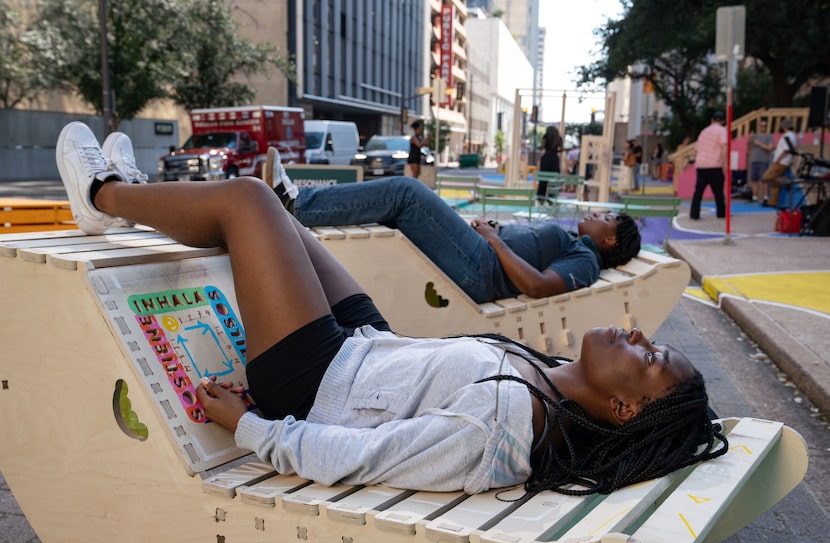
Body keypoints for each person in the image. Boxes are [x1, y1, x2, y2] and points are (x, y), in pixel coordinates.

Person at [55, 121, 728, 496]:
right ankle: (141, 196)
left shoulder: (499, 431)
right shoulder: (547, 385)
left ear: (624, 408)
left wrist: (259, 429)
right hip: (366, 350)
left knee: (250, 205)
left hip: (316, 382)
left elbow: (373, 455)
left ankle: (104, 192)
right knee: (289, 228)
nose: (641, 336)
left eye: (650, 357)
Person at [271, 173, 641, 303]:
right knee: (401, 207)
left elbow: (538, 286)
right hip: (480, 252)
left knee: (407, 194)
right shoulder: (575, 243)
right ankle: (297, 211)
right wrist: (497, 233)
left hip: (479, 268)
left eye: (606, 217)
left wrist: (493, 241)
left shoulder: (587, 261)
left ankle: (297, 204)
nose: (596, 213)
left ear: (611, 241)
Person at [690, 111, 728, 220]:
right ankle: (721, 213)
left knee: (698, 191)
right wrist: (725, 163)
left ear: (711, 120)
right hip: (714, 164)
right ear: (723, 121)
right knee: (718, 192)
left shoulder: (704, 131)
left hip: (701, 164)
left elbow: (697, 148)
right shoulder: (722, 130)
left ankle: (694, 214)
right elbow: (723, 147)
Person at [762, 118, 799, 209]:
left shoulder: (788, 136)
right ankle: (772, 202)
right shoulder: (791, 135)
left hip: (781, 162)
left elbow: (787, 149)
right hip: (783, 161)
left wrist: (778, 159)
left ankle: (785, 181)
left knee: (766, 178)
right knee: (774, 184)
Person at [747, 119, 774, 203]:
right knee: (754, 180)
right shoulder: (755, 136)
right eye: (761, 126)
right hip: (754, 160)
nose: (763, 127)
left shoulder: (769, 136)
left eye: (765, 126)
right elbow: (750, 147)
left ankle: (765, 197)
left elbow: (770, 148)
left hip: (763, 161)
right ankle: (754, 197)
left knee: (764, 180)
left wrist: (759, 143)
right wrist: (750, 140)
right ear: (759, 127)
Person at [536, 126, 562, 199]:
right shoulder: (559, 138)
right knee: (554, 178)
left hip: (546, 157)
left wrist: (539, 147)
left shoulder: (546, 136)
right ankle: (552, 196)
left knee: (543, 178)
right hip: (555, 158)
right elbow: (561, 149)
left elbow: (542, 146)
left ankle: (541, 196)